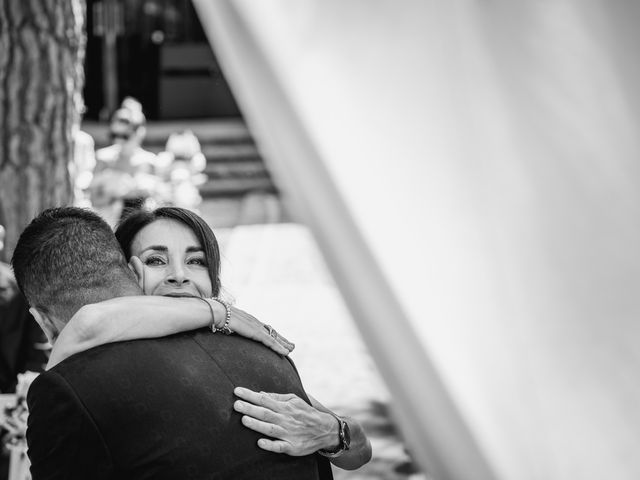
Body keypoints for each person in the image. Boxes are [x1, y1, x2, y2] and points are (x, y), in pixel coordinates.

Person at [12, 207, 332, 479]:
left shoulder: (68, 389)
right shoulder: (265, 350)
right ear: (134, 271)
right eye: (156, 260)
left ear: (41, 322)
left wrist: (339, 433)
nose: (178, 276)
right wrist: (218, 312)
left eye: (195, 261)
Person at [89, 97, 160, 226]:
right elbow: (93, 200)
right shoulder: (103, 157)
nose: (118, 141)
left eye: (124, 136)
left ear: (139, 133)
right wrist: (120, 194)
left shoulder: (150, 161)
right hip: (109, 224)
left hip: (139, 225)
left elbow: (157, 202)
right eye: (114, 135)